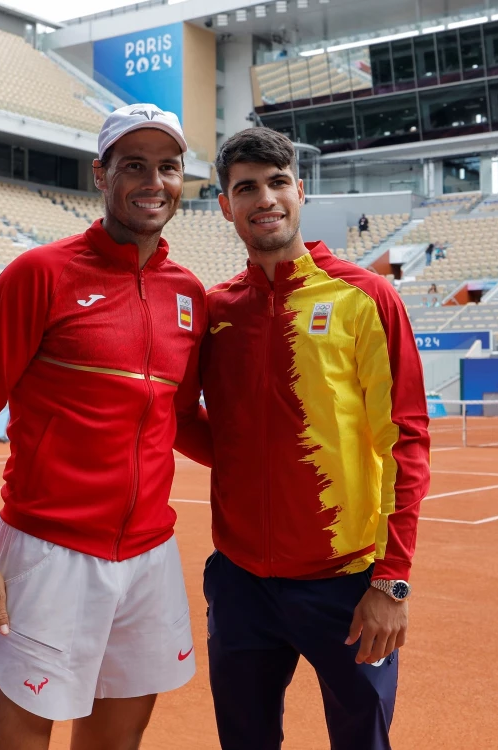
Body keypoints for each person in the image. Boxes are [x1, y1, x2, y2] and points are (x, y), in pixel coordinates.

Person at [0, 104, 208, 750]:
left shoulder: (189, 294)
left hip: (149, 559)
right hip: (45, 556)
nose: (154, 181)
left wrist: (270, 456)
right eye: (134, 166)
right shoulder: (41, 274)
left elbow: (180, 422)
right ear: (101, 174)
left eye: (168, 167)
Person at [196, 128, 430, 750]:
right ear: (226, 205)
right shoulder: (217, 310)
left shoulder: (365, 296)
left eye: (276, 183)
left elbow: (405, 442)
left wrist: (392, 580)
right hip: (241, 582)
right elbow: (183, 419)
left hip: (348, 584)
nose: (263, 198)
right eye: (246, 187)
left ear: (300, 191)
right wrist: (242, 458)